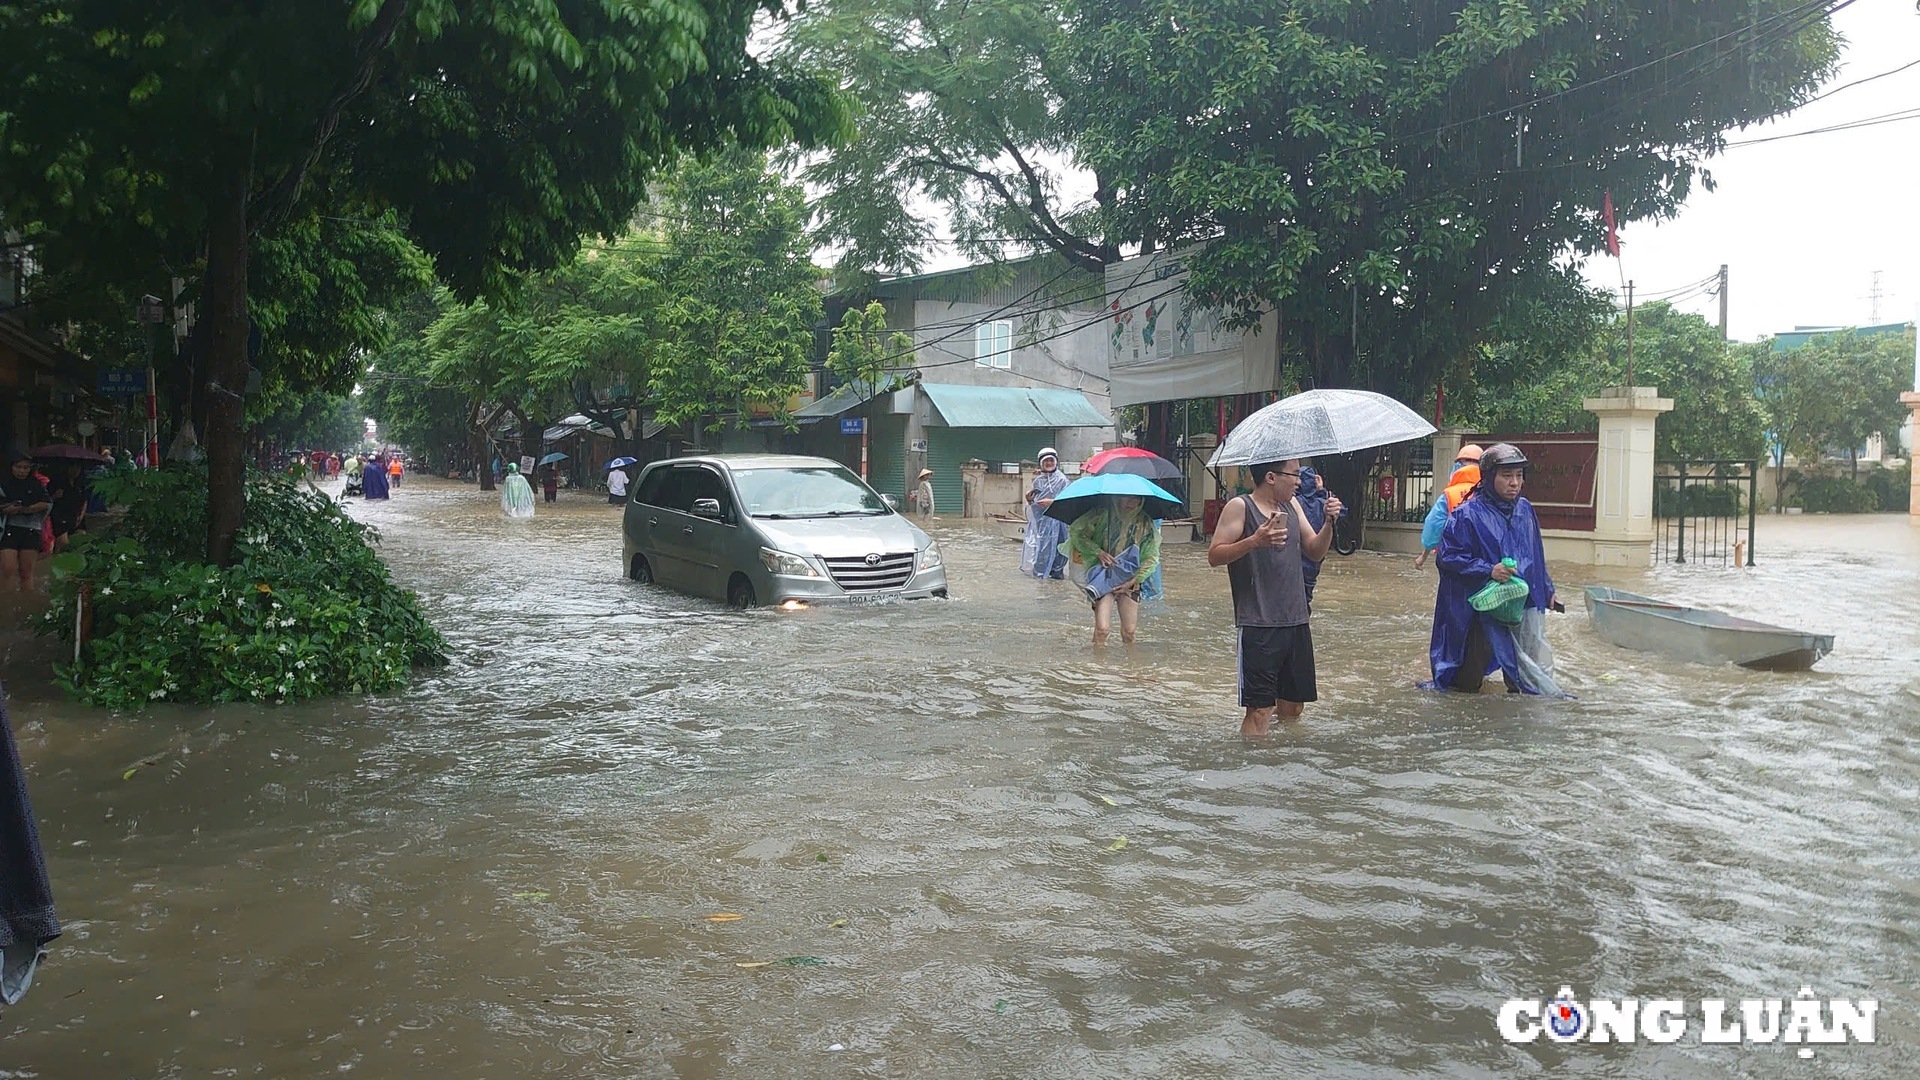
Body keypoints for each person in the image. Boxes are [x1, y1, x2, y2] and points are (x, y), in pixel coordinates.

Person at [1207, 460, 1344, 736]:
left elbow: (1315, 551)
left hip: (1296, 619)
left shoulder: (1292, 506)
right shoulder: (1240, 507)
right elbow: (1214, 555)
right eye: (1293, 475)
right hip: (1258, 622)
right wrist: (1254, 541)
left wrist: (1329, 523)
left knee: (1293, 707)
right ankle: (1252, 770)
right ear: (1271, 476)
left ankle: (1280, 769)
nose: (1298, 481)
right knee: (1260, 710)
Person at [1423, 443, 1561, 695]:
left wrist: (1547, 588)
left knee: (1525, 679)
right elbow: (1448, 557)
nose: (1514, 483)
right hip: (1480, 606)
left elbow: (1535, 553)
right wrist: (1488, 570)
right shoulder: (1466, 514)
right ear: (1488, 477)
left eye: (1519, 476)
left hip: (1520, 600)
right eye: (1507, 476)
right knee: (1466, 681)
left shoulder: (1524, 510)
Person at [1063, 493, 1160, 645]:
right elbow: (1078, 535)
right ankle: (1097, 665)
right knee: (1102, 630)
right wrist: (1098, 552)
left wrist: (1133, 581)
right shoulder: (1101, 515)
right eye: (1126, 497)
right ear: (1116, 498)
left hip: (1130, 579)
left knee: (1129, 632)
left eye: (1135, 498)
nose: (1130, 502)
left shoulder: (1144, 522)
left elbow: (1151, 557)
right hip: (1103, 576)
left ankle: (1130, 666)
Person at [1415, 445, 1484, 570]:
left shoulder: (1449, 495)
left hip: (1453, 557)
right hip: (1485, 560)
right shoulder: (1490, 493)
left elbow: (1434, 527)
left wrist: (1423, 556)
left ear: (1458, 466)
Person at [0, 454, 52, 592]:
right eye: (18, 467)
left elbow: (46, 504)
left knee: (26, 572)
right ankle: (7, 604)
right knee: (7, 568)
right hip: (9, 529)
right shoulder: (3, 484)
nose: (22, 471)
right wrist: (6, 509)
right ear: (11, 467)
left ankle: (27, 606)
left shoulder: (36, 484)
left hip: (31, 529)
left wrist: (25, 509)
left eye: (25, 468)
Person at [1020, 448, 1072, 579]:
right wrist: (1029, 499)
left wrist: (1053, 502)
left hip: (1059, 523)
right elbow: (1035, 505)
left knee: (1059, 552)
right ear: (1040, 463)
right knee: (1041, 550)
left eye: (1051, 460)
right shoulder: (1038, 481)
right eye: (1046, 461)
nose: (1049, 463)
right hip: (1042, 524)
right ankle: (1040, 581)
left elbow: (1070, 502)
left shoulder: (1062, 480)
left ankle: (1056, 579)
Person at [1296, 465, 1330, 604]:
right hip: (1314, 562)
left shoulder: (1293, 503)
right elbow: (1341, 513)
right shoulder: (1322, 503)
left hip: (1295, 561)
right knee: (1306, 598)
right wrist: (1321, 491)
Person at [46, 465, 88, 553]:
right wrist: (55, 496)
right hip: (60, 515)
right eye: (73, 467)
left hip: (76, 514)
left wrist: (81, 515)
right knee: (63, 543)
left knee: (81, 540)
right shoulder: (57, 482)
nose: (75, 471)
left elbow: (85, 500)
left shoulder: (80, 483)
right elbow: (46, 500)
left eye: (78, 468)